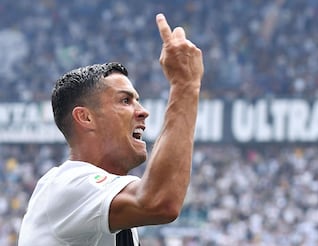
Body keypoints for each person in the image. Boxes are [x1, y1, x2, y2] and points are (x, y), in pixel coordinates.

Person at [18, 13, 203, 246]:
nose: (143, 111)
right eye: (125, 101)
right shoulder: (67, 185)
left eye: (137, 100)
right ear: (85, 117)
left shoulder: (108, 206)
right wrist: (185, 85)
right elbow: (160, 201)